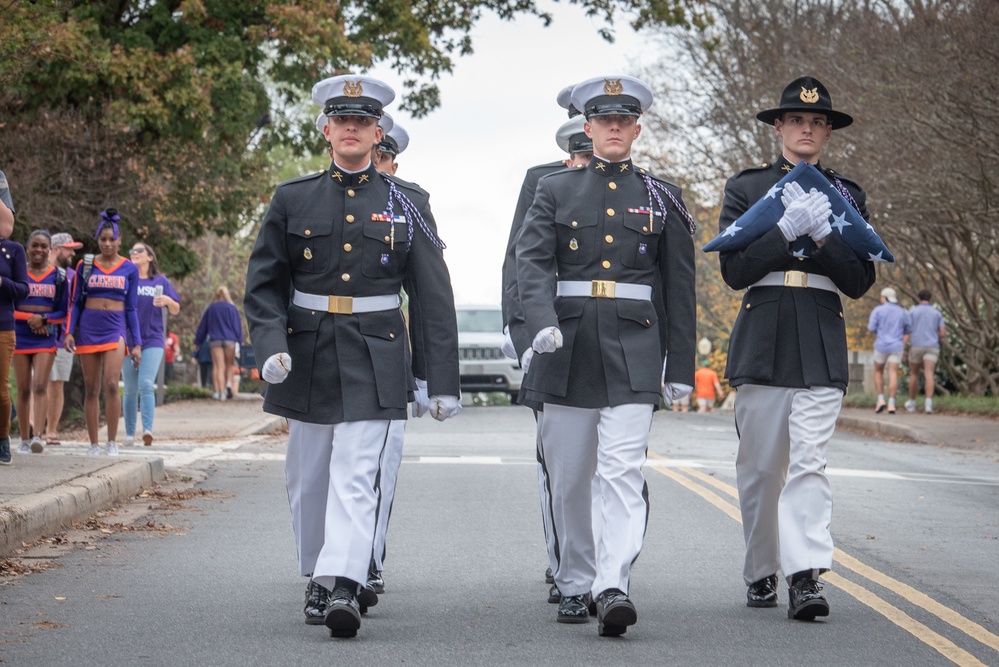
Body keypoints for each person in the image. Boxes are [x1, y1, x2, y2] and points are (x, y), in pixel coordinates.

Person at [244, 74, 460, 639]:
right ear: (326, 130)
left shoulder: (407, 203)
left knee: (357, 473)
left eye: (362, 122)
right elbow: (264, 285)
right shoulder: (294, 198)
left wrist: (441, 380)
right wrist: (269, 346)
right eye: (342, 121)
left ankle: (343, 582)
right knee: (308, 476)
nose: (352, 130)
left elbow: (433, 295)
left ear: (377, 131)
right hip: (308, 349)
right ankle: (317, 572)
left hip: (377, 349)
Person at [517, 75, 696, 637]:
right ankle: (574, 579)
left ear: (637, 129)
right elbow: (531, 263)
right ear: (587, 128)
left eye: (624, 120)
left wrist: (682, 366)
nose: (614, 128)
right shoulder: (554, 189)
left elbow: (679, 286)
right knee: (570, 475)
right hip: (566, 345)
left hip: (635, 345)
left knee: (621, 470)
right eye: (604, 120)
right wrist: (538, 325)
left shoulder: (662, 194)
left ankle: (613, 582)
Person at [718, 76, 876, 621]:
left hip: (821, 331)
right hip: (764, 333)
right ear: (779, 127)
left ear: (827, 132)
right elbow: (734, 270)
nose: (806, 129)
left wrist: (828, 235)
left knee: (809, 462)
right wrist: (784, 229)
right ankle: (762, 568)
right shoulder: (748, 188)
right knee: (762, 469)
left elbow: (860, 281)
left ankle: (804, 576)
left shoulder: (847, 195)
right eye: (796, 121)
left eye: (817, 122)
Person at [500, 86, 594, 603]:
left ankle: (604, 567)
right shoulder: (544, 180)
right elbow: (519, 261)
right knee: (557, 463)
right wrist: (523, 335)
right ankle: (564, 567)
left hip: (611, 337)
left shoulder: (636, 182)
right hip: (551, 336)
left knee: (614, 465)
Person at [65, 208, 143, 457]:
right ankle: (93, 444)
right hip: (89, 328)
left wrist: (137, 343)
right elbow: (76, 302)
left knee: (111, 383)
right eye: (103, 239)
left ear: (120, 240)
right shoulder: (85, 265)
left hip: (115, 327)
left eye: (112, 239)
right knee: (91, 387)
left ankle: (111, 442)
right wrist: (69, 332)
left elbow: (131, 308)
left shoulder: (129, 269)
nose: (108, 244)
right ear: (98, 240)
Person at [13, 230, 70, 454]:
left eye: (43, 246)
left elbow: (63, 312)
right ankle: (24, 439)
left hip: (45, 337)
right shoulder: (18, 274)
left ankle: (38, 435)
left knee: (40, 386)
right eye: (34, 245)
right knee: (24, 388)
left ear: (50, 249)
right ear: (27, 247)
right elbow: (10, 307)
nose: (39, 250)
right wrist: (31, 319)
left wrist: (44, 319)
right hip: (19, 336)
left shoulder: (59, 276)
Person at [121, 242, 180, 446]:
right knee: (129, 389)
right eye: (132, 251)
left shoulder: (160, 281)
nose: (134, 253)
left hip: (153, 339)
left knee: (146, 383)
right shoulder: (128, 279)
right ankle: (129, 434)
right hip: (128, 339)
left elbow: (176, 309)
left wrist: (167, 301)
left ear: (149, 257)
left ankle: (147, 430)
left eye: (139, 251)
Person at [0, 175, 30, 465]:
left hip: (2, 326)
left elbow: (23, 290)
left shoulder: (14, 250)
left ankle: (2, 436)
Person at [42, 232, 82, 445]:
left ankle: (51, 431)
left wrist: (71, 331)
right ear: (56, 249)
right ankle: (33, 428)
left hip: (63, 339)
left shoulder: (72, 275)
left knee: (57, 384)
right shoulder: (37, 270)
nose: (73, 253)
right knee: (36, 383)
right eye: (69, 249)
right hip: (37, 337)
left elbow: (74, 305)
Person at [193, 286, 243, 400]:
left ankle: (219, 392)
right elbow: (237, 325)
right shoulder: (232, 308)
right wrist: (240, 339)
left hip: (215, 340)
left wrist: (198, 341)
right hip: (230, 340)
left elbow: (203, 327)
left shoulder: (211, 308)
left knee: (218, 366)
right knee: (229, 365)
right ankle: (228, 386)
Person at [868, 287, 911, 414]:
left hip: (881, 345)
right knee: (893, 372)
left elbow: (871, 328)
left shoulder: (878, 310)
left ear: (884, 297)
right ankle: (892, 403)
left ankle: (880, 400)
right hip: (896, 346)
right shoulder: (902, 312)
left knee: (878, 372)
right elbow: (908, 330)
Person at [906, 289, 945, 414]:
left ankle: (912, 403)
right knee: (929, 373)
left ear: (918, 298)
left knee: (914, 374)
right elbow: (943, 333)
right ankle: (928, 404)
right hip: (932, 346)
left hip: (916, 345)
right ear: (930, 298)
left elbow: (907, 329)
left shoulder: (912, 311)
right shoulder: (936, 313)